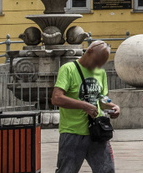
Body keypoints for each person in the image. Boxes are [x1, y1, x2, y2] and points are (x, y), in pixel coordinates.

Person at [51, 40, 121, 173]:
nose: (97, 66)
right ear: (89, 51)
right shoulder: (68, 69)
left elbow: (102, 98)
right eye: (96, 61)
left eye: (101, 63)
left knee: (107, 170)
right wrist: (83, 105)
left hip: (97, 131)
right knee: (67, 170)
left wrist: (113, 107)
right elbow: (56, 98)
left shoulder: (100, 73)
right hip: (73, 132)